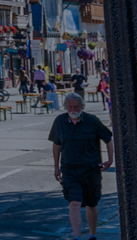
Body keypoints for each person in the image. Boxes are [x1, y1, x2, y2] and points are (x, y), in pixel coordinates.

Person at [48, 92, 114, 240]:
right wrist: (56, 167)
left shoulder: (92, 121)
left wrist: (110, 160)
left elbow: (108, 138)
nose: (73, 110)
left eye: (76, 107)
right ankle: (77, 237)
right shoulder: (60, 121)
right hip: (69, 170)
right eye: (70, 107)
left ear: (82, 107)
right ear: (66, 107)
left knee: (91, 204)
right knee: (74, 202)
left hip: (91, 169)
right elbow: (56, 144)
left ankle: (92, 235)